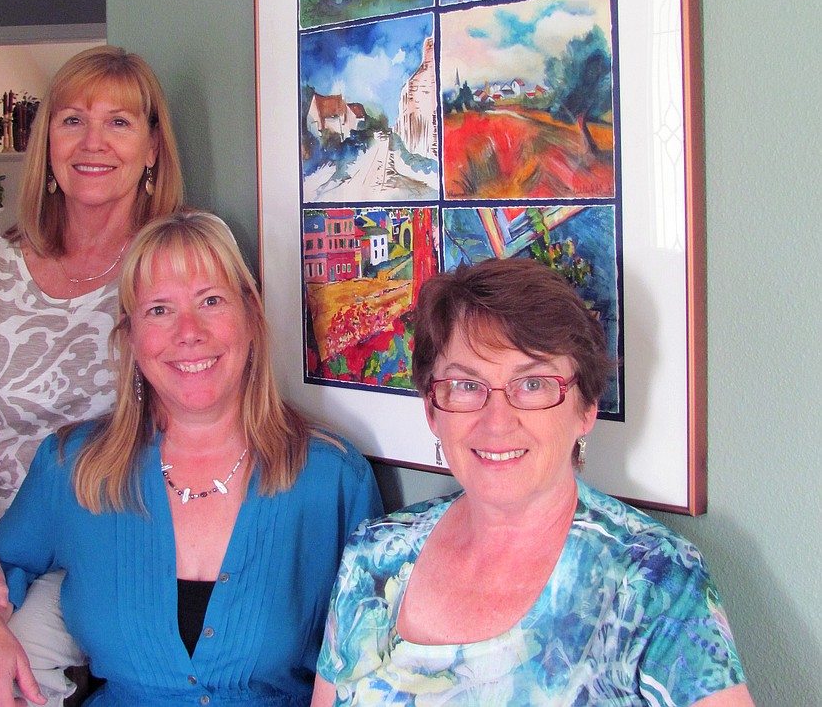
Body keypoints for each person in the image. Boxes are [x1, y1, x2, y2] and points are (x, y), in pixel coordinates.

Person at [0, 210, 384, 707]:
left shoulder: (332, 478)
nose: (189, 332)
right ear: (131, 336)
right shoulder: (73, 467)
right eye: (159, 309)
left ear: (250, 317)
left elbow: (371, 668)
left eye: (210, 301)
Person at [312, 258, 754, 707]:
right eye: (466, 386)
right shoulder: (372, 554)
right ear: (432, 410)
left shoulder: (656, 583)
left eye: (533, 383)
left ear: (586, 408)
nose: (497, 422)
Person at [0, 45, 184, 704]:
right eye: (72, 120)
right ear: (47, 142)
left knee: (20, 675)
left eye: (120, 122)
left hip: (119, 541)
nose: (92, 142)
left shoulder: (177, 265)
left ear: (153, 148)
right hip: (5, 550)